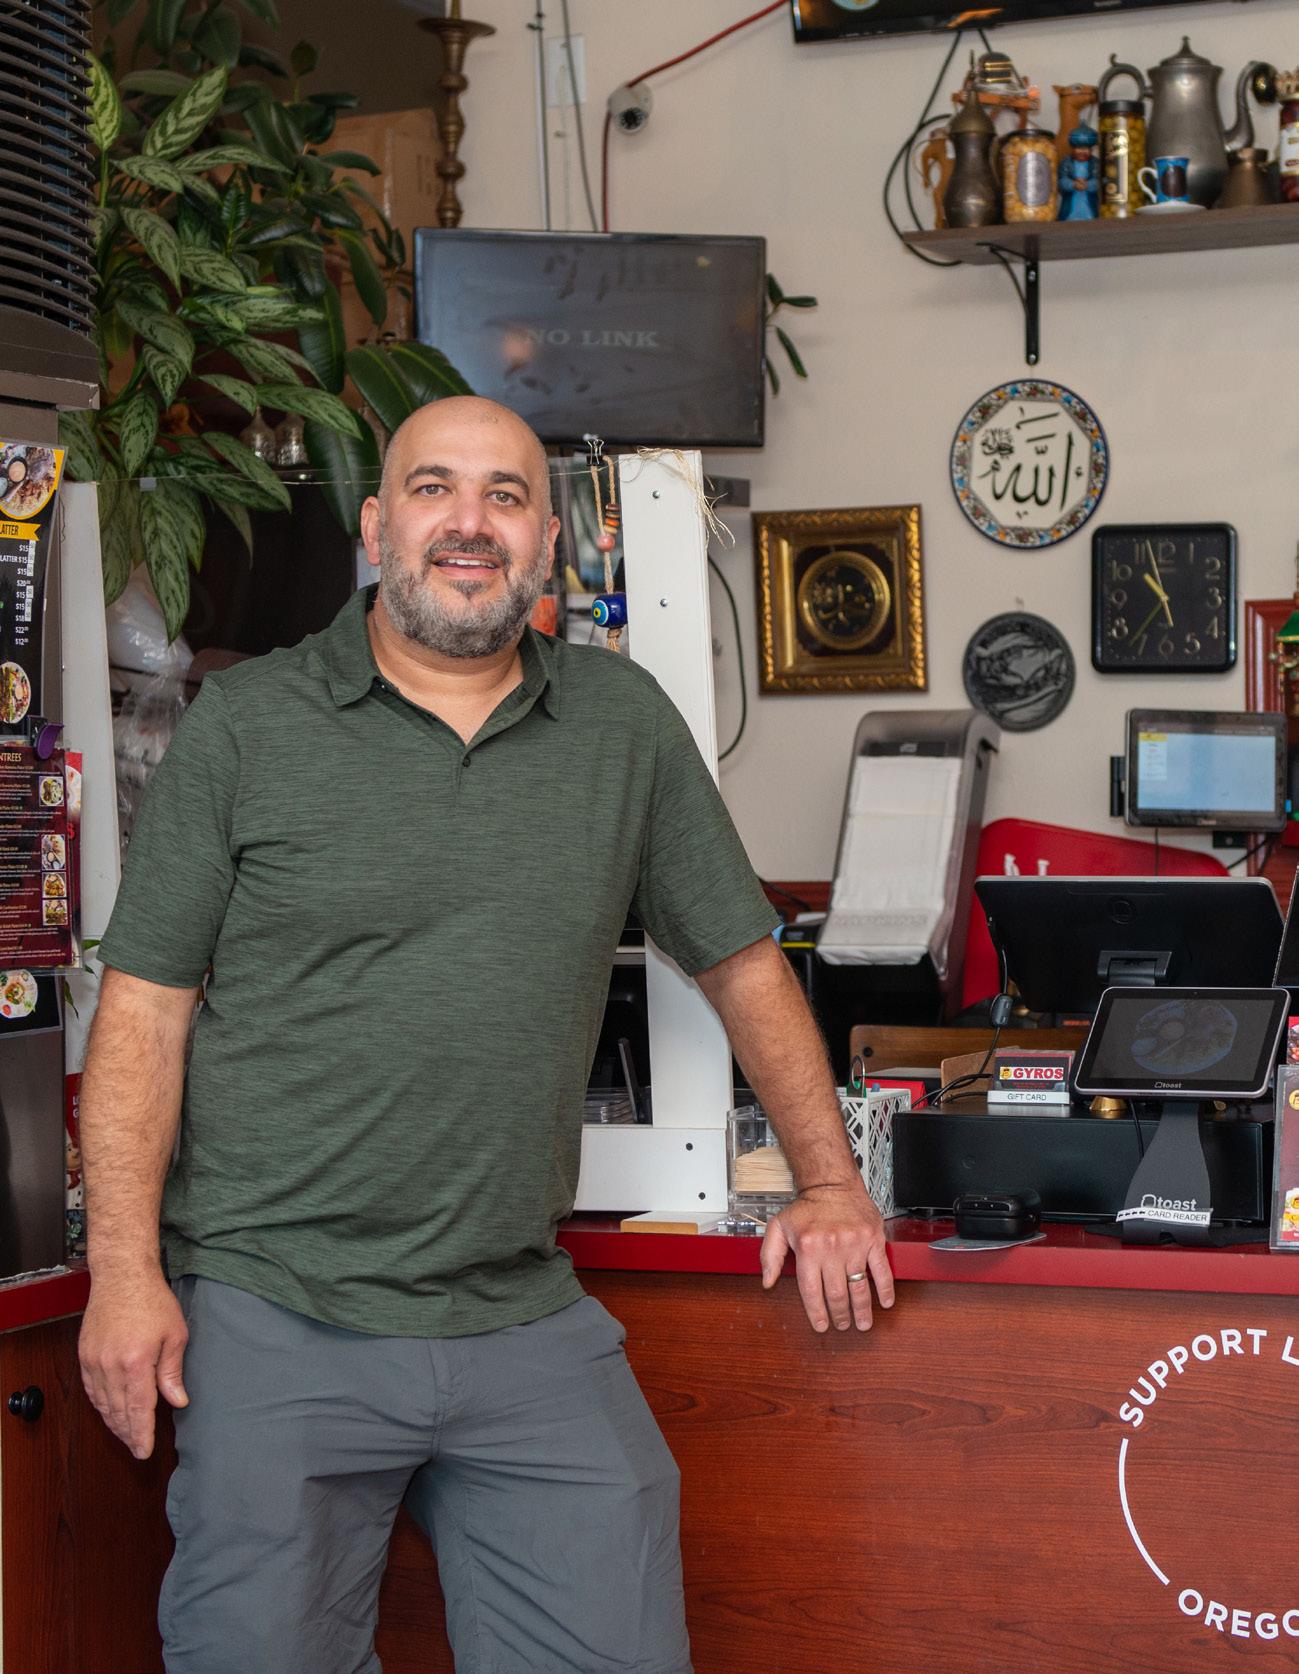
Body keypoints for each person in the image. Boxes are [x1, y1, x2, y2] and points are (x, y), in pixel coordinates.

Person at [78, 396, 894, 1674]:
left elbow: (741, 963)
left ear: (547, 541)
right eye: (434, 489)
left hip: (519, 1310)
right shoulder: (246, 728)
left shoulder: (621, 726)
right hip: (281, 1304)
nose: (469, 522)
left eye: (505, 496)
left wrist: (832, 1183)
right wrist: (125, 1276)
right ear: (375, 527)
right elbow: (144, 1011)